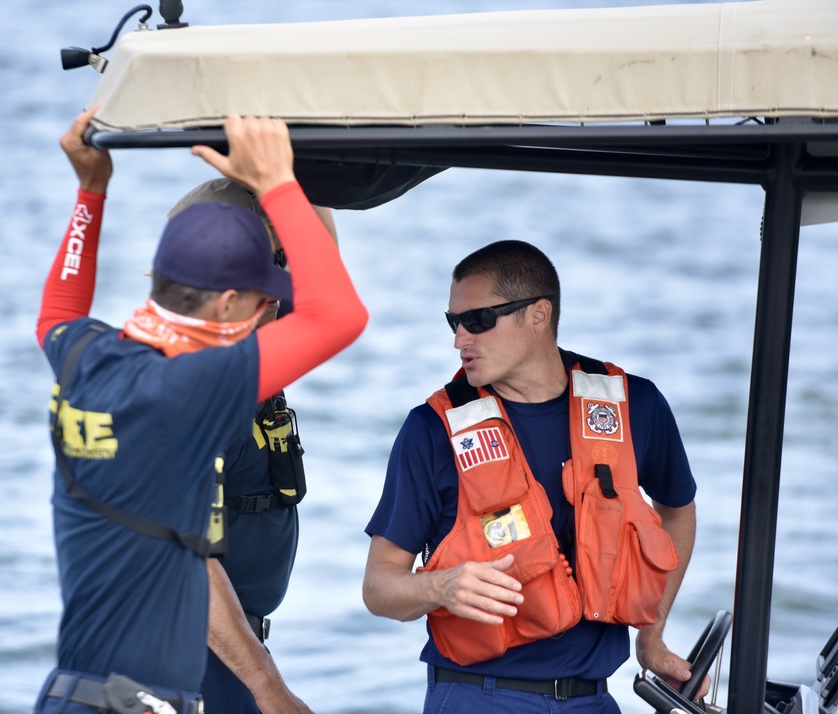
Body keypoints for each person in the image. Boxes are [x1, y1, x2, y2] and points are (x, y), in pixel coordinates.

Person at [34, 106, 367, 714]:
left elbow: (57, 310)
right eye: (268, 303)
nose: (274, 316)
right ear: (230, 302)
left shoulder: (82, 356)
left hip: (73, 693)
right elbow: (341, 315)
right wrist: (276, 184)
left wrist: (90, 190)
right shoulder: (195, 390)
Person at [362, 240, 700, 713]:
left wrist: (653, 635)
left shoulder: (633, 406)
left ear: (538, 315)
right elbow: (379, 586)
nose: (460, 338)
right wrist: (439, 587)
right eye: (453, 323)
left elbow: (678, 509)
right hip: (476, 696)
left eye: (477, 321)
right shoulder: (431, 430)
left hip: (594, 700)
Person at [165, 178, 338, 713]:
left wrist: (294, 171)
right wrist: (268, 687)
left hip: (230, 647)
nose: (284, 287)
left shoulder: (246, 335)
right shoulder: (194, 391)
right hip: (190, 652)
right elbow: (190, 562)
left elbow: (323, 282)